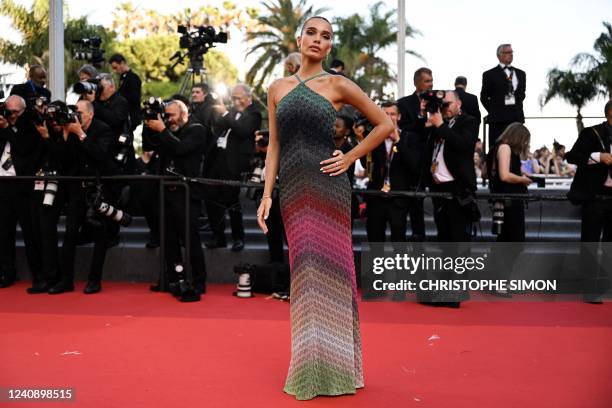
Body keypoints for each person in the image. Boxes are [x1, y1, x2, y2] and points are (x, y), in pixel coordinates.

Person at [256, 16, 393, 400]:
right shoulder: (277, 88)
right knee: (305, 276)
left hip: (329, 187)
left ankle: (338, 369)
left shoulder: (337, 84)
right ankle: (310, 366)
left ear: (331, 46)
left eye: (326, 36)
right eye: (312, 33)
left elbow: (384, 125)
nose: (318, 40)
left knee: (334, 274)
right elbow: (274, 147)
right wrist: (267, 194)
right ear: (299, 39)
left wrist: (349, 157)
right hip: (294, 193)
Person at [48, 100, 116, 294]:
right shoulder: (69, 129)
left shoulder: (104, 130)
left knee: (99, 236)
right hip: (77, 190)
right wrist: (65, 134)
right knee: (69, 235)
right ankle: (66, 280)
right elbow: (62, 160)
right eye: (74, 111)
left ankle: (94, 280)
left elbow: (101, 156)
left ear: (90, 114)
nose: (76, 115)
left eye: (79, 112)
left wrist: (81, 134)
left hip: (99, 189)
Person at [145, 100, 209, 300]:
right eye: (167, 115)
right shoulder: (169, 130)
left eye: (172, 115)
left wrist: (163, 130)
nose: (169, 119)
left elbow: (181, 149)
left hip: (186, 192)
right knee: (168, 238)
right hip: (165, 191)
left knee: (190, 238)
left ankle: (198, 281)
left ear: (184, 113)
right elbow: (150, 145)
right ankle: (174, 278)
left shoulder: (197, 130)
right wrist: (150, 124)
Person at [565, 100, 612, 303]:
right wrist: (597, 156)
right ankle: (590, 289)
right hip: (595, 198)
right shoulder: (592, 133)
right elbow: (572, 156)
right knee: (590, 244)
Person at [206, 84, 261, 251]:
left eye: (238, 97)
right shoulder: (231, 112)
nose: (235, 101)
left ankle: (238, 237)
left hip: (234, 162)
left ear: (248, 97)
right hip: (217, 159)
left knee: (231, 200)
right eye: (233, 97)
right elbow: (216, 123)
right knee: (212, 199)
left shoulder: (254, 113)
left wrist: (225, 112)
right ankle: (218, 237)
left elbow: (243, 131)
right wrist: (218, 108)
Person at [0, 95, 43, 288]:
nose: (12, 115)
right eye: (9, 111)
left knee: (30, 232)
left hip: (23, 186)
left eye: (15, 112)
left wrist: (8, 129)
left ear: (24, 110)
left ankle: (38, 276)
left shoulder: (30, 126)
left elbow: (24, 148)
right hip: (4, 185)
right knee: (4, 232)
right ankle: (7, 272)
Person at [361, 101, 412, 242]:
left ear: (399, 117)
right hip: (376, 197)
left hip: (398, 199)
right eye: (385, 114)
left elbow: (413, 165)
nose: (389, 117)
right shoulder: (373, 137)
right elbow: (365, 165)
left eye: (392, 114)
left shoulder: (409, 137)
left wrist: (398, 141)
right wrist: (362, 140)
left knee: (399, 242)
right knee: (375, 239)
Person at [395, 67, 433, 241]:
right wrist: (421, 120)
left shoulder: (436, 102)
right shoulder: (403, 103)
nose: (430, 84)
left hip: (430, 155)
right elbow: (403, 128)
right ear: (416, 82)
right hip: (408, 156)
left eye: (431, 80)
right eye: (427, 81)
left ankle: (421, 250)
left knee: (419, 208)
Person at [487, 123, 532, 242]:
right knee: (514, 240)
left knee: (504, 238)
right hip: (510, 200)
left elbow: (484, 173)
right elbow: (505, 175)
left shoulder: (494, 148)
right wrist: (522, 179)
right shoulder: (505, 148)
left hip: (502, 199)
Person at [480, 44, 526, 151]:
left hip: (516, 118)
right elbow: (484, 97)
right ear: (499, 55)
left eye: (511, 52)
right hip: (498, 120)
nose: (510, 55)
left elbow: (522, 95)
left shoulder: (521, 74)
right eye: (507, 52)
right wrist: (493, 111)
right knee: (496, 150)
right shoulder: (489, 74)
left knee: (516, 150)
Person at [109, 53, 142, 131]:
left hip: (131, 116)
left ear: (122, 63)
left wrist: (116, 95)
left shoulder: (133, 77)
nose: (115, 70)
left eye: (115, 67)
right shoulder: (123, 77)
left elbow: (135, 98)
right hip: (124, 115)